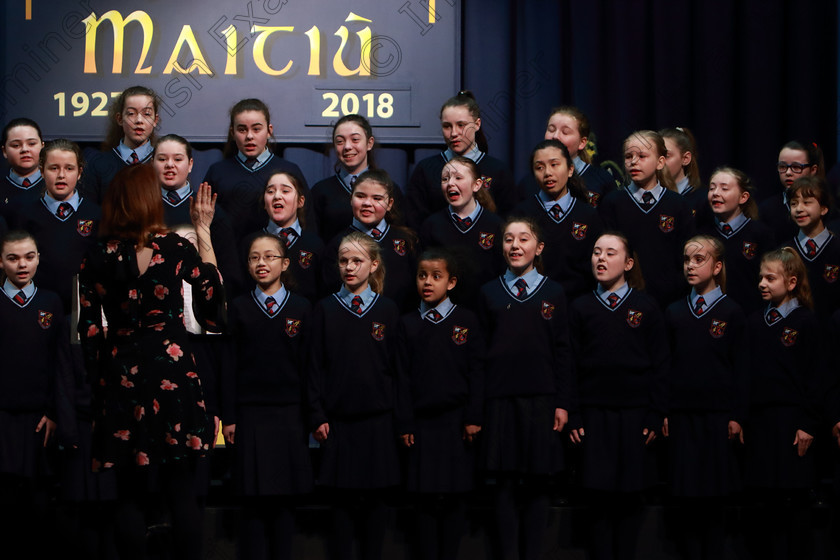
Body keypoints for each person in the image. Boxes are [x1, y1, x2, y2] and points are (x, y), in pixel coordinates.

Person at [77, 164, 224, 560]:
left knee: (128, 493)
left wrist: (102, 384)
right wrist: (203, 231)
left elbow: (89, 332)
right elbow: (213, 303)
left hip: (119, 378)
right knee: (181, 489)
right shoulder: (175, 247)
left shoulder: (94, 257)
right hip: (172, 376)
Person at [568, 232, 668, 560]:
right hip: (595, 416)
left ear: (627, 263)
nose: (601, 258)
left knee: (629, 499)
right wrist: (575, 413)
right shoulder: (581, 307)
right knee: (597, 499)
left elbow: (660, 365)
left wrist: (655, 413)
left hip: (635, 416)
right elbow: (569, 364)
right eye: (596, 252)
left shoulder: (646, 306)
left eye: (610, 253)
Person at [478, 217, 570, 560]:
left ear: (539, 247)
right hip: (500, 400)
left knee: (537, 481)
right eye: (508, 239)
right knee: (504, 484)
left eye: (523, 239)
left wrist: (562, 403)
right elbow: (479, 356)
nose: (515, 245)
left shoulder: (554, 292)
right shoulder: (488, 292)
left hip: (542, 402)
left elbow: (563, 352)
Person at [308, 231, 400, 560]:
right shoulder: (325, 309)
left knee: (375, 505)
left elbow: (396, 370)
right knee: (342, 506)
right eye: (344, 260)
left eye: (357, 261)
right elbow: (315, 367)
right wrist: (317, 415)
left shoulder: (388, 310)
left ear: (374, 265)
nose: (349, 267)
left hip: (378, 422)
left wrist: (398, 421)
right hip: (339, 423)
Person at [223, 233, 313, 560]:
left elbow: (309, 367)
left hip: (290, 414)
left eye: (269, 257)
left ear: (285, 263)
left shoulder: (302, 308)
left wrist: (312, 415)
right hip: (250, 414)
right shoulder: (239, 307)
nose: (261, 263)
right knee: (252, 500)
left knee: (284, 501)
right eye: (254, 258)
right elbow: (229, 366)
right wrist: (230, 416)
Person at [396, 249, 484, 560]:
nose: (428, 282)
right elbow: (401, 378)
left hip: (457, 423)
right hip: (421, 424)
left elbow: (476, 372)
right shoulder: (406, 324)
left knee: (456, 495)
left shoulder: (466, 320)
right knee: (424, 497)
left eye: (436, 276)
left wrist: (474, 416)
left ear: (451, 282)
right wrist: (405, 422)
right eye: (422, 276)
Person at [663, 235, 747, 560]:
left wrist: (737, 415)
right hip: (682, 417)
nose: (691, 265)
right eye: (687, 259)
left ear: (718, 266)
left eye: (699, 259)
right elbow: (665, 367)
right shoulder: (674, 312)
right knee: (685, 499)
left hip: (717, 419)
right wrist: (665, 411)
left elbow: (741, 369)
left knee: (714, 501)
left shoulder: (732, 312)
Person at [0, 230, 73, 559]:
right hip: (2, 418)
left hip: (40, 420)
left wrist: (55, 412)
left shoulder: (51, 301)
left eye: (28, 256)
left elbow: (60, 365)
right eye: (13, 258)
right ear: (1, 262)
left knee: (39, 501)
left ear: (39, 258)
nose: (21, 264)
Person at [745, 247, 821, 560]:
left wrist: (808, 423)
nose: (762, 283)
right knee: (764, 502)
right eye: (761, 277)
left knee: (796, 501)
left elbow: (817, 376)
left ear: (791, 282)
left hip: (793, 423)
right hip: (762, 422)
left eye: (770, 278)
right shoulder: (754, 322)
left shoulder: (806, 322)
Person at [599, 130, 694, 308]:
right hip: (623, 300)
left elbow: (685, 257)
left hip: (669, 301)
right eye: (629, 156)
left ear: (660, 162)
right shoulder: (613, 203)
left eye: (642, 156)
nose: (634, 161)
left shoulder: (678, 205)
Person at [405, 91, 518, 228]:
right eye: (447, 126)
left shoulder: (498, 170)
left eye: (461, 125)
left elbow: (509, 223)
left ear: (477, 124)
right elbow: (415, 222)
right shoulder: (426, 169)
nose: (454, 133)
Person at [203, 98, 308, 241]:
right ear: (233, 132)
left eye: (256, 129)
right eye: (242, 130)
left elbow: (307, 223)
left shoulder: (289, 170)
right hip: (227, 258)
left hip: (274, 259)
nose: (249, 136)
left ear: (269, 131)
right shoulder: (217, 172)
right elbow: (204, 223)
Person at [154, 134, 245, 297]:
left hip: (201, 304)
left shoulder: (208, 209)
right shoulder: (142, 208)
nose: (169, 165)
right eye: (162, 159)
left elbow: (228, 270)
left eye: (177, 159)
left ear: (190, 164)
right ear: (152, 163)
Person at [512, 139, 603, 301]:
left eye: (554, 165)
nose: (547, 173)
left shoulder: (587, 215)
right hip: (534, 302)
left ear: (570, 169)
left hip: (579, 303)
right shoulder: (523, 214)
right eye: (539, 167)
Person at [16, 139, 101, 312]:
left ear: (79, 173)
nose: (61, 175)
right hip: (38, 308)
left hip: (83, 310)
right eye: (54, 168)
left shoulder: (96, 214)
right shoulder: (26, 214)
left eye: (69, 168)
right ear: (41, 171)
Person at [323, 169, 418, 311]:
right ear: (351, 198)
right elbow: (330, 293)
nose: (367, 203)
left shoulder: (406, 240)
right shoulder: (337, 244)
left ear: (390, 203)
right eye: (360, 196)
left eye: (377, 198)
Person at [418, 156, 504, 311]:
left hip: (485, 310)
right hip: (443, 312)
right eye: (445, 179)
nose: (451, 183)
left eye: (458, 178)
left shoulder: (496, 225)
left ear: (477, 185)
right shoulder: (431, 225)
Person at [310, 115, 404, 243]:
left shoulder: (389, 188)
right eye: (340, 141)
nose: (347, 146)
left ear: (369, 143)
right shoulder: (320, 191)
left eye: (355, 139)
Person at [701, 166, 773, 313]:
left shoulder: (760, 233)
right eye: (712, 188)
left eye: (724, 189)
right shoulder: (702, 235)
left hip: (749, 314)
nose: (715, 193)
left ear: (743, 197)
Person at [250, 171, 324, 304]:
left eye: (285, 191)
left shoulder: (315, 245)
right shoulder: (250, 243)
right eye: (271, 191)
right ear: (264, 203)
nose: (277, 196)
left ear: (300, 201)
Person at [520, 106, 617, 206]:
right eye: (551, 130)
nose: (555, 136)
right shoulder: (529, 183)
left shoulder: (602, 180)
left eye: (565, 132)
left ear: (582, 143)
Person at [80, 86, 160, 204]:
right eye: (131, 113)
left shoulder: (162, 163)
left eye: (146, 114)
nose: (139, 120)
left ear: (155, 120)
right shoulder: (98, 163)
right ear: (119, 119)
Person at [782, 176, 840, 326]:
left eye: (807, 202)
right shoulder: (784, 251)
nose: (799, 209)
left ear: (823, 208)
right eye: (793, 204)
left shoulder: (836, 248)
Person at [760, 140, 825, 246]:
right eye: (782, 167)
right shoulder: (767, 209)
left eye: (796, 167)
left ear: (813, 170)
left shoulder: (825, 205)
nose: (788, 173)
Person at [660, 127, 710, 228]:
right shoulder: (647, 196)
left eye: (667, 156)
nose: (660, 161)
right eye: (656, 155)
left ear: (685, 159)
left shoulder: (703, 199)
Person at [1, 118, 45, 222]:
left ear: (43, 147)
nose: (25, 149)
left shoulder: (58, 187)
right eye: (16, 145)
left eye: (31, 144)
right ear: (4, 151)